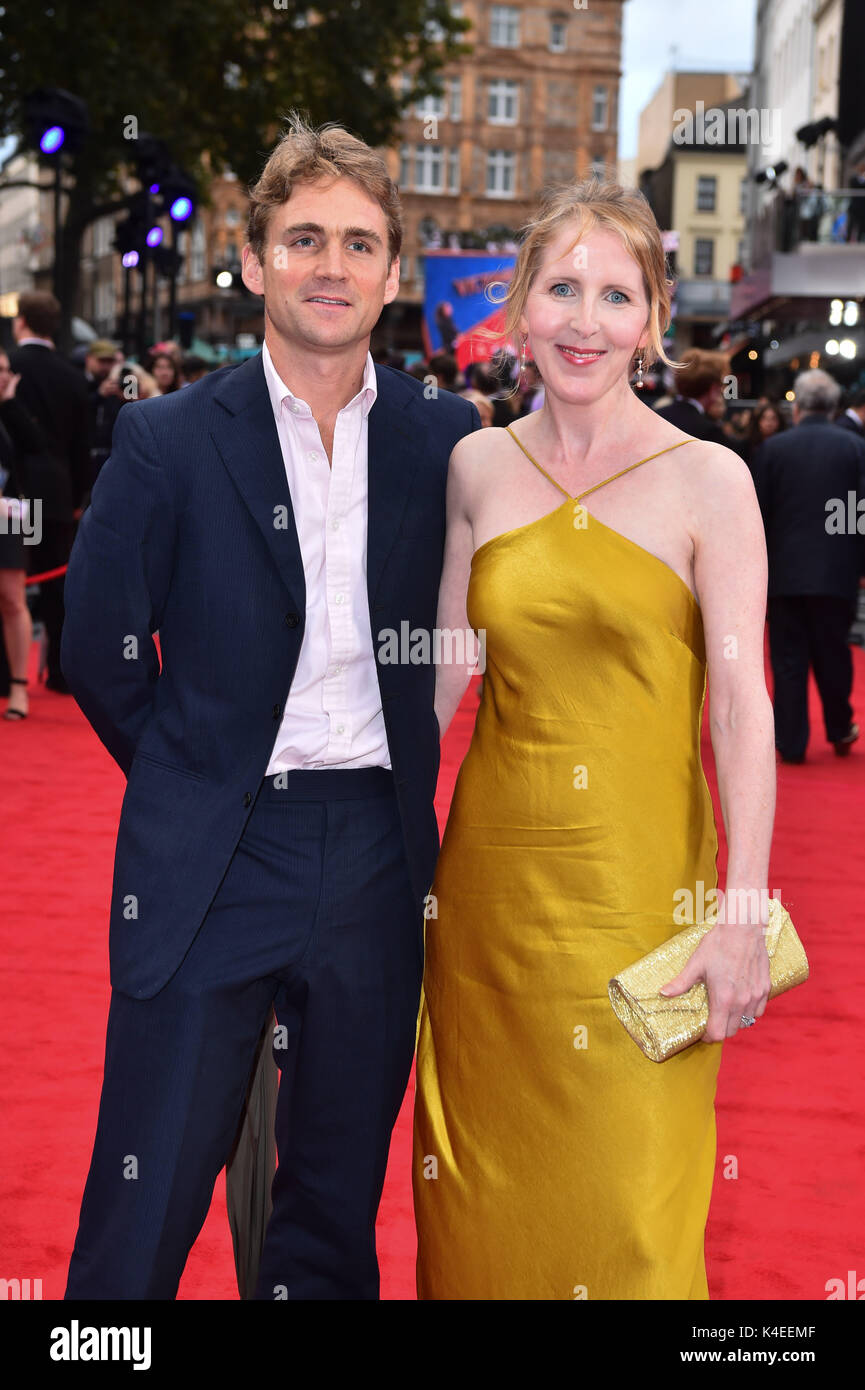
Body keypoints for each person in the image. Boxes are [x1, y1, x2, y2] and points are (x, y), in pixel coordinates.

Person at [61, 112, 480, 1301]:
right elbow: (97, 648)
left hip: (376, 864)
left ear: (394, 270)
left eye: (358, 241)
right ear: (253, 260)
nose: (331, 265)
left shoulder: (443, 437)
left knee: (330, 1211)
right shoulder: (166, 437)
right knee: (144, 1201)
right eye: (303, 238)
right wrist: (197, 769)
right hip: (214, 853)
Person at [413, 174, 776, 1300]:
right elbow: (438, 683)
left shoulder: (710, 480)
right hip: (486, 914)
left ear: (653, 320)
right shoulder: (476, 465)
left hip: (641, 905)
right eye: (560, 288)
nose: (584, 319)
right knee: (476, 1210)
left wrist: (743, 909)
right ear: (518, 306)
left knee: (629, 1218)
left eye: (615, 295)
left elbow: (738, 705)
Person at [750, 368, 865, 763]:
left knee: (788, 660)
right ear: (833, 408)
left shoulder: (773, 449)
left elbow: (758, 516)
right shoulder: (855, 448)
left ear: (797, 407)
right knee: (834, 652)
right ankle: (839, 726)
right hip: (837, 571)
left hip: (784, 573)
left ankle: (791, 740)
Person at [10, 292, 90, 693]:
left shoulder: (11, 368)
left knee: (12, 579)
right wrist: (77, 498)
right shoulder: (73, 375)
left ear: (21, 322)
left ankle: (10, 673)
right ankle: (59, 670)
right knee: (56, 583)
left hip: (15, 493)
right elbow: (82, 446)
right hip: (55, 495)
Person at [0, 350, 42, 719]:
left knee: (14, 598)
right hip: (12, 513)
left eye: (4, 370)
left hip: (11, 516)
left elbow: (36, 447)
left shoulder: (12, 411)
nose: (1, 375)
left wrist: (10, 402)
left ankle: (18, 689)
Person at [654, 348, 747, 458]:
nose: (721, 390)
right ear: (713, 389)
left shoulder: (656, 416)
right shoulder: (709, 431)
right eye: (720, 385)